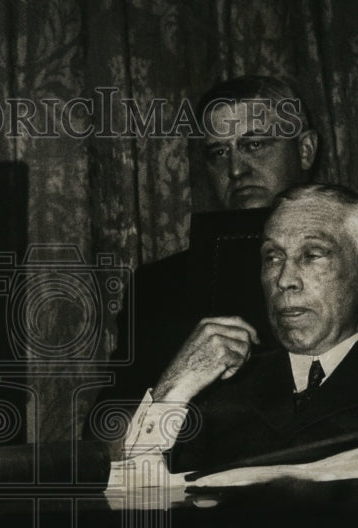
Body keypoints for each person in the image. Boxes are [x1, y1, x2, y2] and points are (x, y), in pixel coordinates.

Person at [121, 183, 358, 473]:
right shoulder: (219, 385)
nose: (285, 280)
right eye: (273, 257)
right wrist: (175, 387)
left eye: (313, 255)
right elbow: (129, 494)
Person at [103, 74, 320, 404]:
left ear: (305, 150)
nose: (235, 169)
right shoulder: (160, 288)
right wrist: (178, 380)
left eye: (254, 145)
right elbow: (105, 438)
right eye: (219, 152)